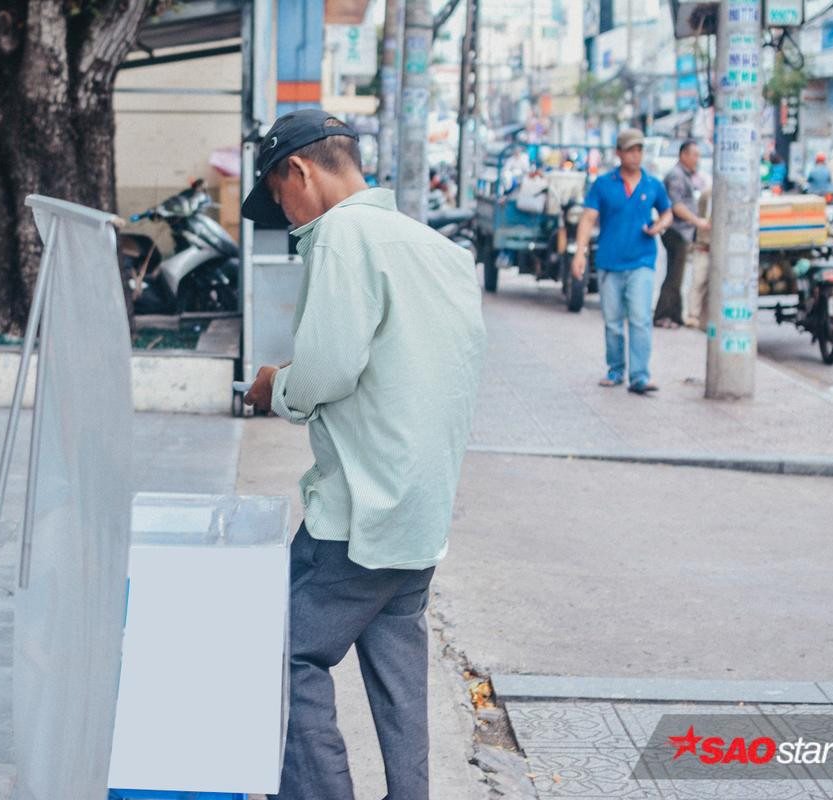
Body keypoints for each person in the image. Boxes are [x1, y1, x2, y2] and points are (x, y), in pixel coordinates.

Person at [240, 109, 487, 800]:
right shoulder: (435, 248)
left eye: (278, 194)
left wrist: (273, 386)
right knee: (398, 680)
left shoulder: (341, 233)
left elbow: (326, 374)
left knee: (281, 656)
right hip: (419, 514)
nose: (284, 214)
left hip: (358, 515)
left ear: (300, 171)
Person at [572, 129, 673, 395]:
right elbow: (588, 219)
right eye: (630, 150)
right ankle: (616, 369)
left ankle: (639, 375)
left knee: (640, 318)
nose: (635, 155)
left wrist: (659, 226)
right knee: (613, 322)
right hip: (609, 262)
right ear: (619, 153)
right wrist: (580, 252)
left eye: (639, 149)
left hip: (641, 260)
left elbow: (667, 212)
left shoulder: (652, 184)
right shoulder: (604, 184)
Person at [655, 141, 711, 329]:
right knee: (674, 276)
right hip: (675, 231)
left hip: (683, 233)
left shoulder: (688, 176)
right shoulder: (676, 176)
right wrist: (698, 221)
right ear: (683, 155)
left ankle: (675, 316)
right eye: (694, 155)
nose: (697, 159)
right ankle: (663, 315)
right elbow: (676, 206)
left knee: (677, 275)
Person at [684, 187, 712, 329]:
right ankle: (693, 316)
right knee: (699, 281)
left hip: (718, 248)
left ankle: (704, 320)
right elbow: (704, 218)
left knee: (710, 286)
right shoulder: (708, 194)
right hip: (703, 245)